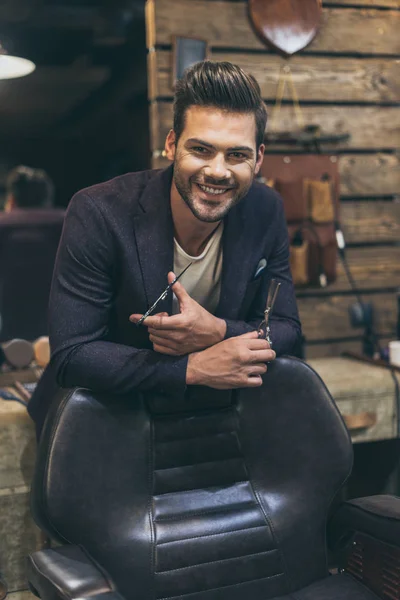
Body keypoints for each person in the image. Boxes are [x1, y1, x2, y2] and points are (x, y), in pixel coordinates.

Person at [28, 61, 302, 437]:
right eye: (202, 149)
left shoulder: (265, 208)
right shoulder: (99, 210)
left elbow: (287, 328)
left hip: (204, 421)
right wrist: (194, 368)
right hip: (99, 422)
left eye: (236, 155)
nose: (218, 171)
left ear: (258, 158)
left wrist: (218, 331)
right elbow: (72, 355)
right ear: (172, 145)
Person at [0, 166, 64, 341]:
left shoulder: (3, 224)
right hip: (61, 335)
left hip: (9, 339)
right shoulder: (68, 222)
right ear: (47, 200)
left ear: (11, 200)